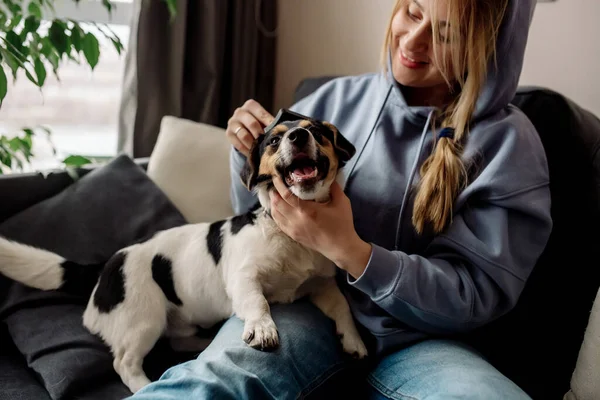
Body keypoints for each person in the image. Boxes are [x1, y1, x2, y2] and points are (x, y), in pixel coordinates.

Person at [129, 0, 552, 398]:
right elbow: (251, 222)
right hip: (303, 308)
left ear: (485, 50)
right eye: (412, 11)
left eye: (446, 33)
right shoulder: (333, 101)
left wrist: (352, 252)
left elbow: (478, 293)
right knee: (221, 380)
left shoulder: (508, 146)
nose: (412, 41)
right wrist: (246, 155)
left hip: (428, 345)